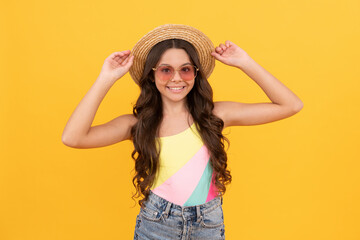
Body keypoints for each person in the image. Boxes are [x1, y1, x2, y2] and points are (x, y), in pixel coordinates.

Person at [62, 24, 303, 240]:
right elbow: (73, 137)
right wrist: (106, 78)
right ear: (152, 75)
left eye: (185, 69)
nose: (176, 78)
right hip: (157, 224)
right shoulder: (137, 124)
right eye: (166, 70)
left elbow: (290, 105)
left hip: (207, 224)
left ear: (196, 74)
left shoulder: (215, 115)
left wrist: (245, 62)